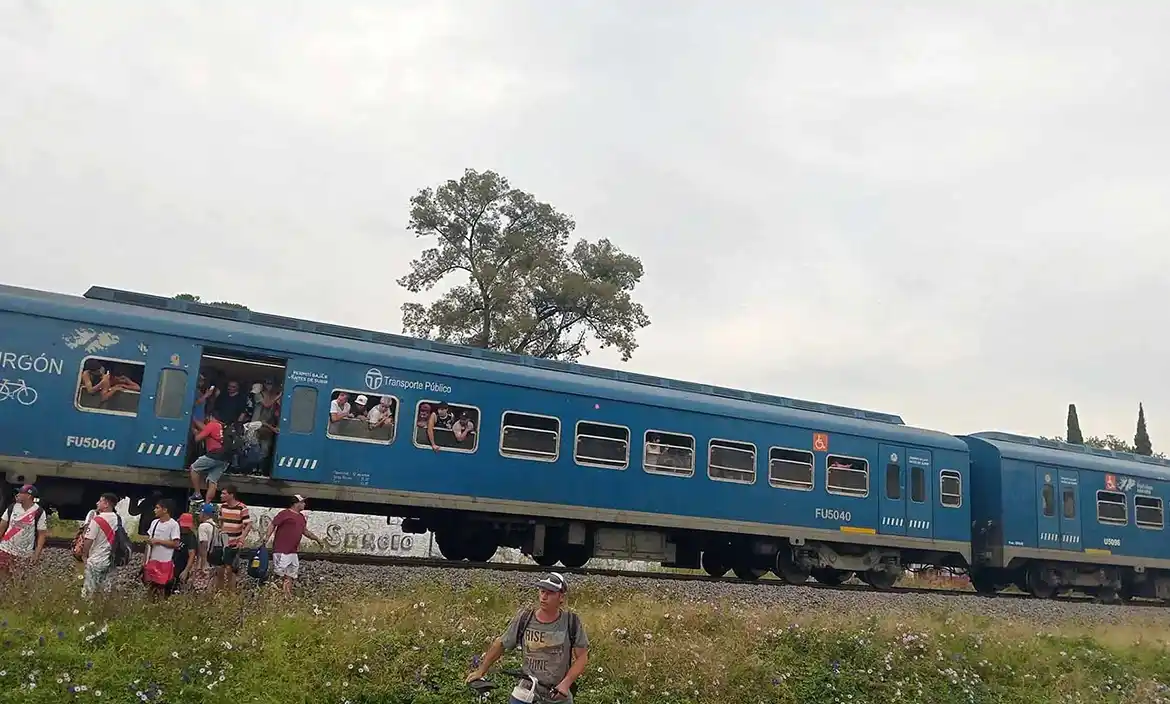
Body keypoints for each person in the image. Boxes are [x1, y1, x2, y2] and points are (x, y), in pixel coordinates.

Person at [466, 572, 589, 703]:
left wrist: (566, 684)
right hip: (526, 691)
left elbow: (582, 657)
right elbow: (500, 643)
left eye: (550, 593)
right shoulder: (525, 618)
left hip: (557, 695)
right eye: (542, 591)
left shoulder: (571, 622)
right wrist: (481, 671)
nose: (544, 597)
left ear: (561, 597)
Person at [260, 494, 325, 597]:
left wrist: (317, 539)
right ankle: (276, 596)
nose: (304, 504)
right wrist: (266, 537)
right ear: (295, 503)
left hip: (293, 552)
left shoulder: (301, 517)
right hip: (281, 550)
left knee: (290, 575)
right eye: (302, 502)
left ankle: (287, 596)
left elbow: (305, 531)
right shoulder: (284, 514)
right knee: (280, 574)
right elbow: (273, 524)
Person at [0, 484, 48, 579]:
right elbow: (2, 526)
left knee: (18, 580)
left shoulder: (39, 512)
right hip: (5, 549)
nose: (17, 495)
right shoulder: (12, 507)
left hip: (24, 554)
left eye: (21, 493)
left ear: (29, 496)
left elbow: (42, 534)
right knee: (2, 578)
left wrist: (36, 554)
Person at [79, 492, 121, 599]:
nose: (97, 503)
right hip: (110, 559)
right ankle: (102, 610)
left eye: (100, 501)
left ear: (106, 504)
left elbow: (88, 540)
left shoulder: (97, 520)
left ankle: (88, 611)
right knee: (105, 590)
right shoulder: (118, 519)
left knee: (89, 590)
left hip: (95, 559)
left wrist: (84, 555)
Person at [142, 499, 181, 600]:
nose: (155, 510)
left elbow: (176, 543)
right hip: (152, 560)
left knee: (161, 587)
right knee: (149, 586)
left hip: (164, 561)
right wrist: (145, 560)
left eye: (157, 508)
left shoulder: (173, 524)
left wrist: (158, 541)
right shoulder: (154, 523)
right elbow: (149, 541)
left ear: (165, 510)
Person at [188, 412, 230, 503]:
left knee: (194, 468)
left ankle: (197, 494)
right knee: (212, 480)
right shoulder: (222, 427)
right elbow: (205, 429)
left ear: (211, 417)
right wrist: (195, 420)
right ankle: (207, 503)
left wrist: (195, 432)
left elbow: (197, 439)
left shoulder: (212, 425)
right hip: (225, 458)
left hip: (214, 454)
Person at [169, 512, 198, 595]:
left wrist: (186, 571)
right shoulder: (175, 532)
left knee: (178, 589)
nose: (184, 528)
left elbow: (192, 555)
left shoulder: (191, 537)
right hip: (169, 563)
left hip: (181, 566)